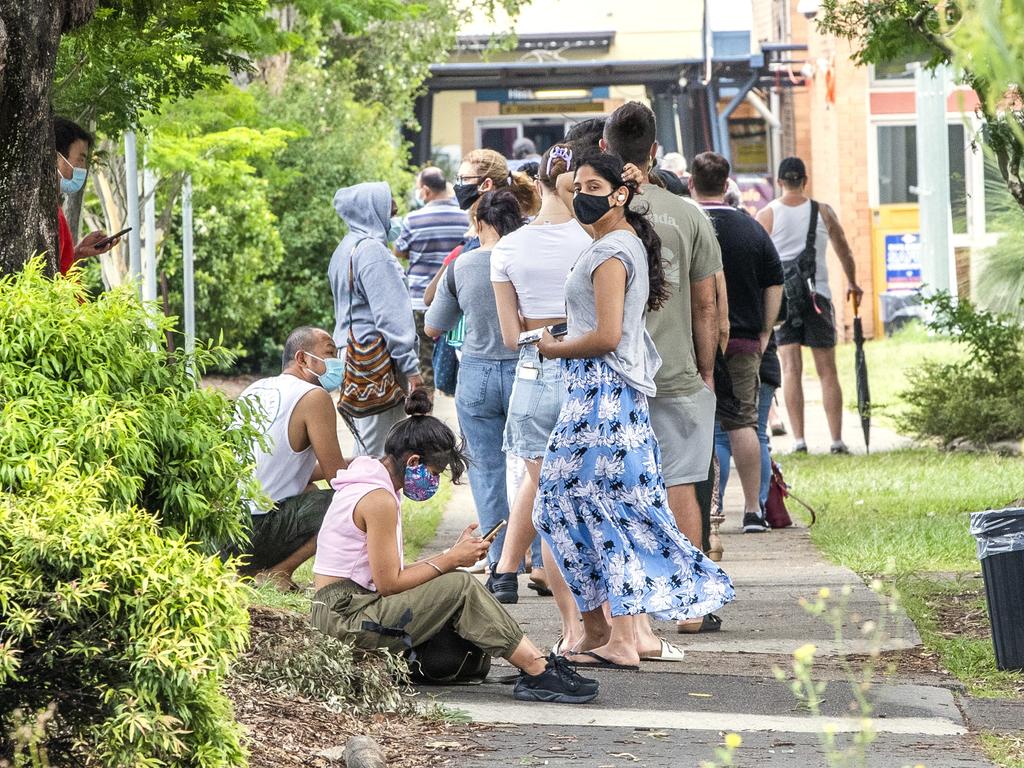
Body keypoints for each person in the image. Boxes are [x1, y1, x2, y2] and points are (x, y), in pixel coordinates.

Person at [534, 153, 734, 670]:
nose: (581, 193)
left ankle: (621, 636)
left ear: (619, 194)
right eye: (576, 185)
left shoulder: (613, 250)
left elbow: (605, 335)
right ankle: (600, 629)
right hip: (595, 392)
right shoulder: (610, 245)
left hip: (603, 395)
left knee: (598, 507)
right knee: (569, 504)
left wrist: (552, 347)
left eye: (593, 184)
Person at [310, 390, 598, 704]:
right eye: (434, 473)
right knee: (460, 585)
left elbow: (388, 576)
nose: (433, 481)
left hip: (345, 610)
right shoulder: (378, 500)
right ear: (414, 462)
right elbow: (390, 583)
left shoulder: (369, 480)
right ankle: (537, 670)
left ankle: (534, 665)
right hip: (344, 618)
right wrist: (450, 561)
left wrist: (451, 556)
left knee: (453, 582)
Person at [603, 101, 724, 633]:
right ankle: (691, 606)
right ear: (655, 151)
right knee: (682, 482)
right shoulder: (690, 214)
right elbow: (705, 306)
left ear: (605, 149)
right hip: (676, 371)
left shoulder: (602, 211)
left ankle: (627, 607)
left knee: (619, 488)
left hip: (615, 373)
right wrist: (706, 371)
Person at [488, 143, 594, 604]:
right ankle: (566, 591)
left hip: (532, 370)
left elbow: (511, 339)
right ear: (574, 183)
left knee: (540, 478)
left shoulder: (506, 249)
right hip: (584, 366)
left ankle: (507, 570)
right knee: (573, 487)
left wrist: (542, 335)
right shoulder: (595, 241)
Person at [423, 190, 525, 577]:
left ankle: (500, 561)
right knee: (534, 468)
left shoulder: (463, 266)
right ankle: (536, 557)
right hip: (525, 369)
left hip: (477, 372)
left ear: (479, 223)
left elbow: (434, 325)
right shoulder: (528, 259)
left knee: (486, 469)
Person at [689, 152, 784, 533]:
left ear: (692, 184)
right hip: (744, 341)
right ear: (727, 184)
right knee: (743, 423)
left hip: (696, 341)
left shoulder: (689, 224)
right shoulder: (751, 228)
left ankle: (705, 511)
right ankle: (752, 511)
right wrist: (764, 329)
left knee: (699, 428)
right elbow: (775, 281)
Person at [756, 157, 864, 455]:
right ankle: (836, 440)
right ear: (805, 180)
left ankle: (800, 441)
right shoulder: (823, 212)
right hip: (819, 297)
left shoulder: (767, 214)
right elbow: (845, 250)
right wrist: (853, 283)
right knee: (827, 370)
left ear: (779, 182)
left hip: (783, 300)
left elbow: (757, 257)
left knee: (791, 368)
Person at [235, 326, 349, 591]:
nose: (337, 364)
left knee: (308, 489)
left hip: (226, 532)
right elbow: (339, 479)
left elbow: (282, 468)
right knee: (348, 502)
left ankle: (246, 569)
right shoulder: (313, 396)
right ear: (302, 359)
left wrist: (353, 462)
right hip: (256, 530)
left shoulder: (256, 388)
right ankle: (278, 573)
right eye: (330, 353)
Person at [329, 182, 423, 457]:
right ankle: (370, 498)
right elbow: (390, 315)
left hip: (353, 357)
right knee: (381, 452)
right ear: (371, 211)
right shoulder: (373, 252)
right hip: (375, 362)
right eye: (389, 209)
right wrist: (411, 370)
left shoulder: (346, 248)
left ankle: (364, 495)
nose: (393, 215)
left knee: (368, 444)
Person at [394, 168, 469, 391]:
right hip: (457, 302)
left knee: (424, 365)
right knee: (460, 361)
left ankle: (426, 421)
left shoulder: (413, 219)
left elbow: (399, 250)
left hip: (420, 301)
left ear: (426, 191)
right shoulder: (465, 217)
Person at [54, 117, 119, 275]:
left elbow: (58, 267)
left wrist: (79, 252)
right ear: (56, 157)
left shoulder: (55, 211)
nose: (83, 168)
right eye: (81, 159)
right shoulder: (47, 214)